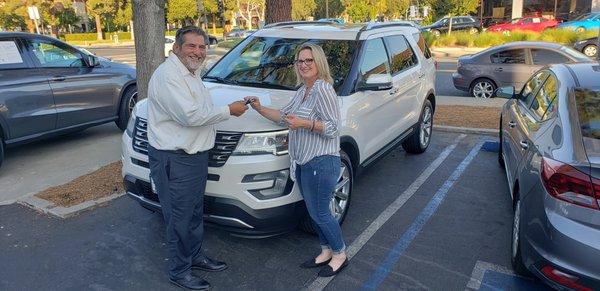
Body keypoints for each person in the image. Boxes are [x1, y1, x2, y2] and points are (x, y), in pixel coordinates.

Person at [147, 26, 248, 290]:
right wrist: (229, 110)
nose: (198, 52)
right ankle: (179, 271)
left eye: (202, 47)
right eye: (191, 46)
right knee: (179, 218)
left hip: (193, 159)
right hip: (175, 160)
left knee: (193, 214)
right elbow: (190, 116)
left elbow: (200, 108)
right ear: (177, 48)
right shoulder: (169, 76)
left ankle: (194, 256)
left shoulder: (190, 73)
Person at [244, 43, 348, 277]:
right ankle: (326, 251)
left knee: (320, 212)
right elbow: (283, 117)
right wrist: (260, 108)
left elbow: (333, 128)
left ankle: (340, 253)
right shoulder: (303, 91)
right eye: (300, 61)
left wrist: (306, 124)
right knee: (314, 211)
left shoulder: (323, 89)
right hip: (303, 162)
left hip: (321, 161)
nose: (303, 65)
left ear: (318, 63)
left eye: (308, 60)